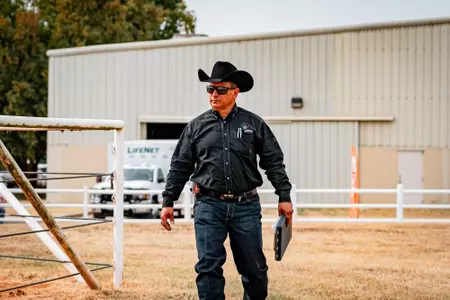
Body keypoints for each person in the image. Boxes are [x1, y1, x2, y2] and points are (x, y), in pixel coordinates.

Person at [160, 61, 293, 300]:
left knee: (254, 268)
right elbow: (180, 165)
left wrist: (284, 196)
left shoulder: (254, 124)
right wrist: (168, 201)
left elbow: (273, 161)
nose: (214, 94)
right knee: (208, 266)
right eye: (210, 89)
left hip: (246, 207)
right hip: (209, 205)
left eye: (220, 89)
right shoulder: (196, 127)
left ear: (235, 92)